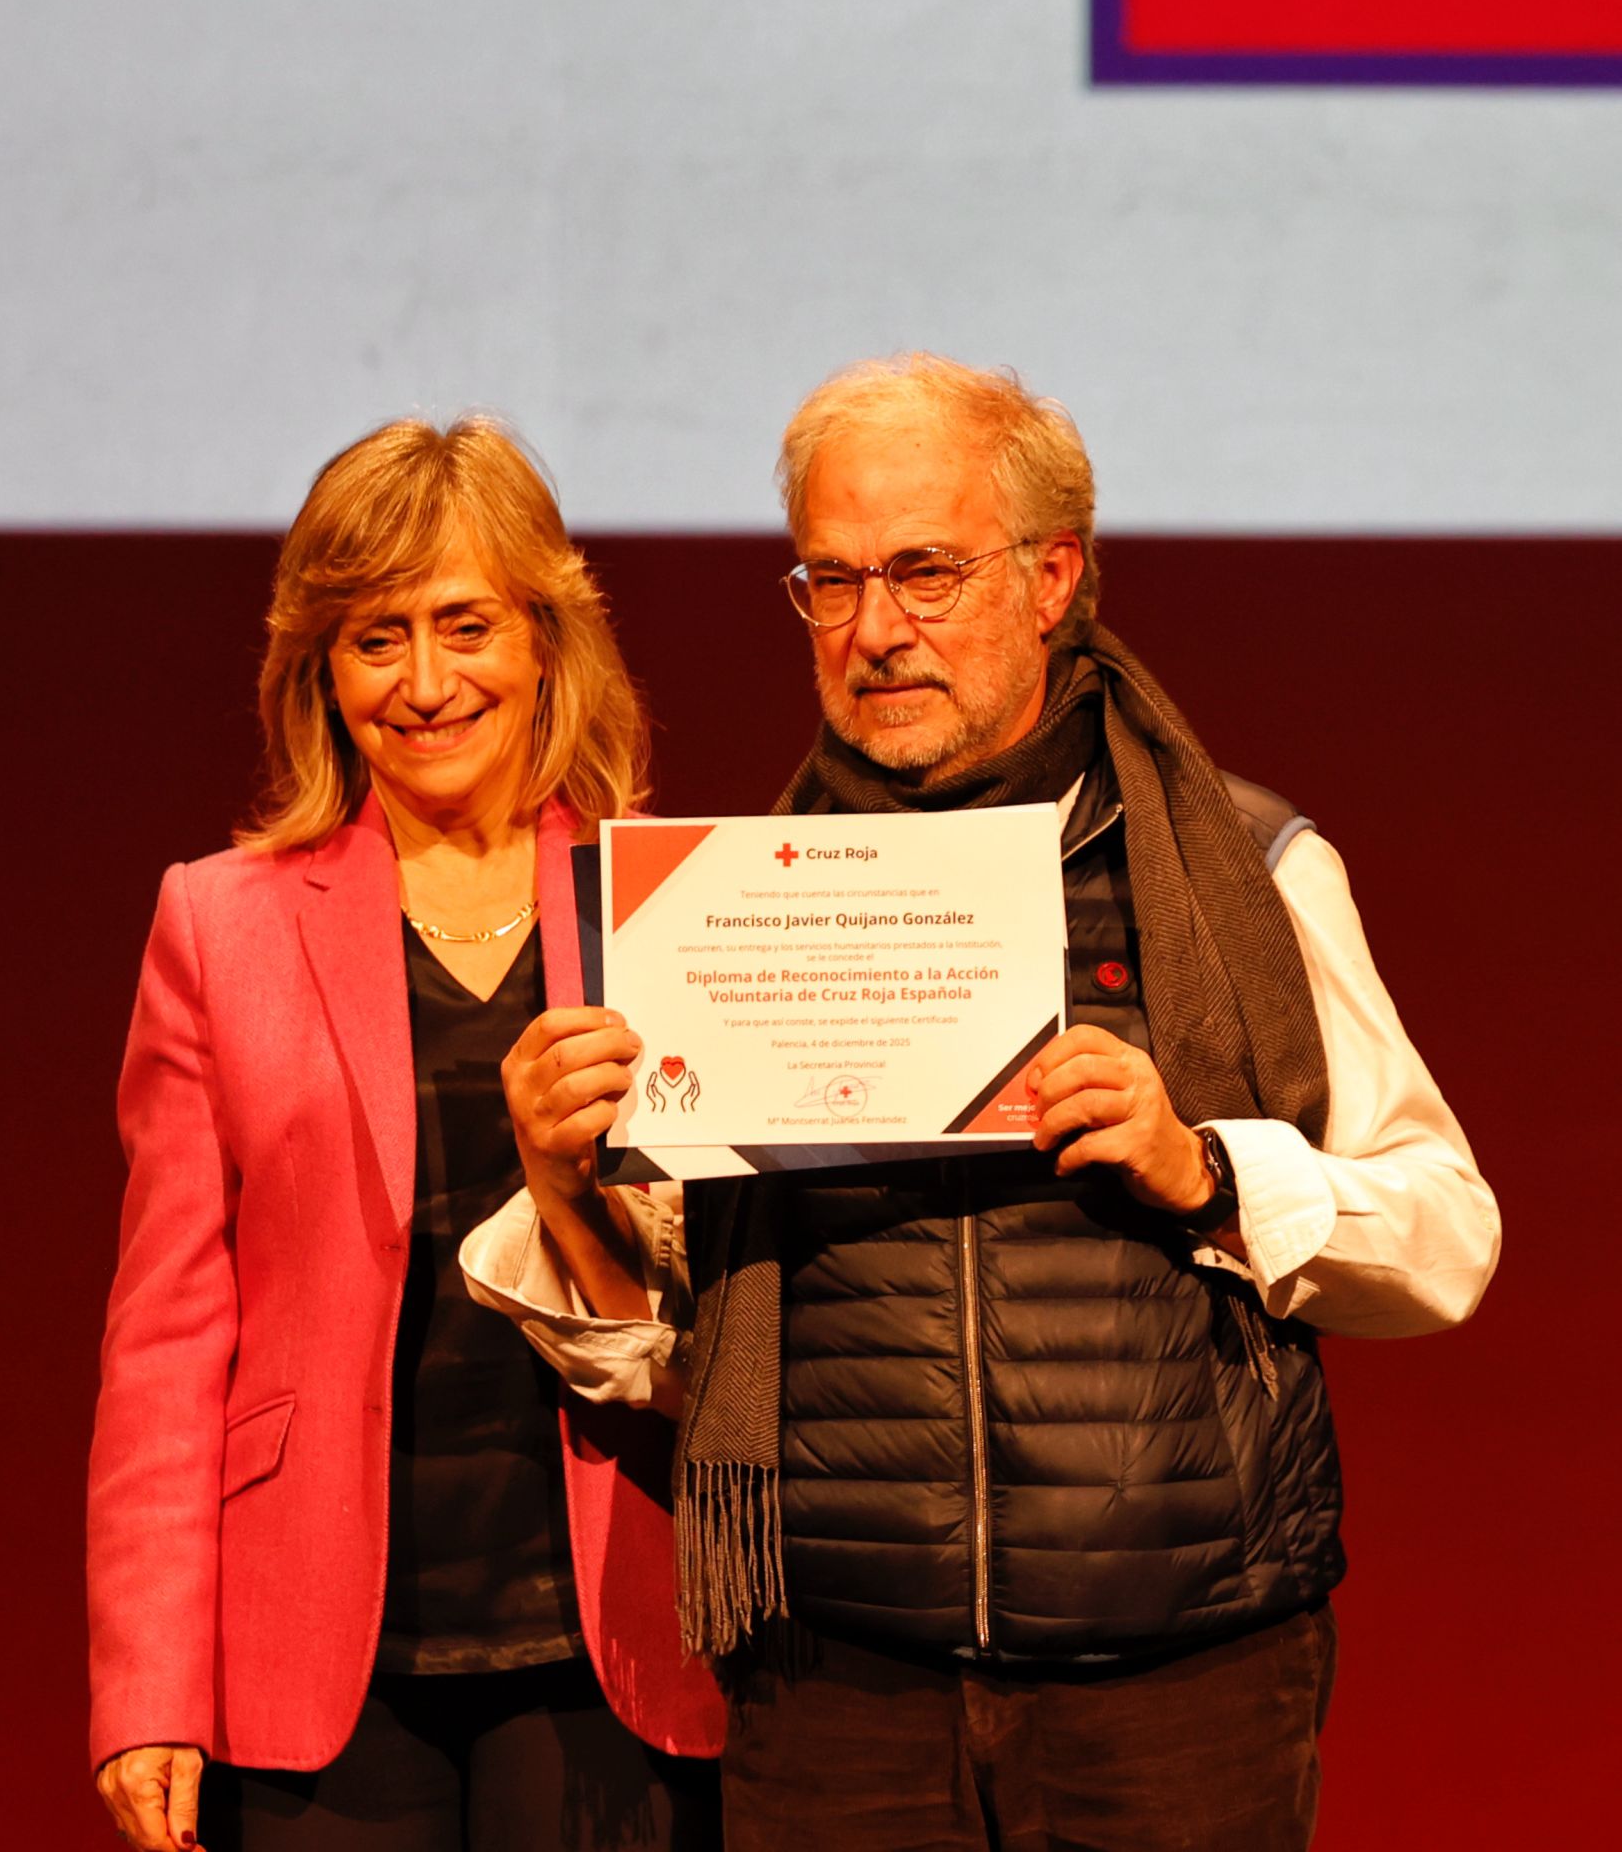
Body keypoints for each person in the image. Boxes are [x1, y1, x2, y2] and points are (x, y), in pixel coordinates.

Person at [472, 354, 1501, 1852]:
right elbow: (664, 1356)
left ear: (1053, 578)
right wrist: (566, 1186)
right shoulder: (730, 909)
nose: (877, 630)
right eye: (832, 579)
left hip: (1180, 1678)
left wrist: (1202, 1164)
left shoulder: (1245, 871)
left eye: (928, 573)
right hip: (838, 1690)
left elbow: (1442, 1237)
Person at [88, 416, 723, 1852]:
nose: (426, 683)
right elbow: (167, 1338)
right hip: (319, 1659)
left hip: (615, 1627)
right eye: (376, 638)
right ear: (320, 667)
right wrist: (147, 1681)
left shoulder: (667, 904)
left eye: (464, 626)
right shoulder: (219, 922)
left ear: (547, 641)